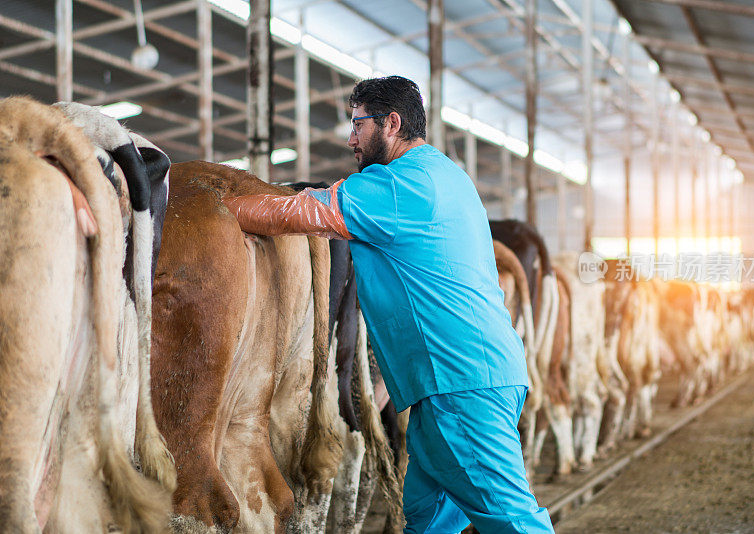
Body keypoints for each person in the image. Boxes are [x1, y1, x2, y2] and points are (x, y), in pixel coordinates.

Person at [223, 75, 554, 534]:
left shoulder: (398, 186)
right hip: (462, 382)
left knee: (513, 521)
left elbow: (297, 212)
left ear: (391, 123)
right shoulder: (444, 174)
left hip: (458, 386)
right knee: (427, 519)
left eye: (357, 124)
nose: (350, 137)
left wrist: (214, 207)